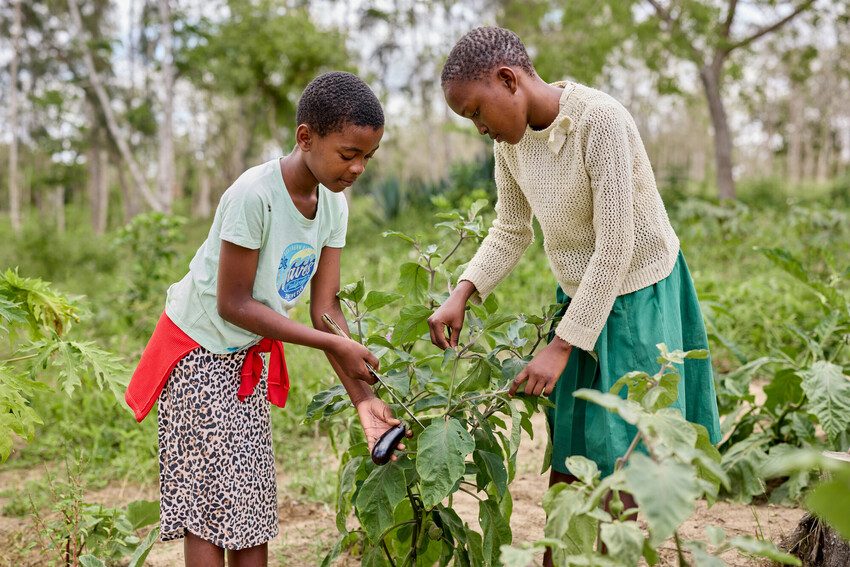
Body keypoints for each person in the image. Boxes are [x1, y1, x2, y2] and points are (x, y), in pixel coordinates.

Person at [427, 26, 721, 563]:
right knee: (572, 455)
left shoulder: (599, 121)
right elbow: (510, 228)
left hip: (639, 297)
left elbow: (616, 247)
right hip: (581, 302)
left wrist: (561, 347)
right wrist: (462, 291)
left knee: (628, 458)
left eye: (475, 111)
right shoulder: (510, 145)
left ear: (508, 80)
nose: (478, 128)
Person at [125, 71, 406, 567]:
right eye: (348, 154)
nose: (359, 167)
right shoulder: (253, 195)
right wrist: (331, 346)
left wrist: (365, 399)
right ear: (305, 137)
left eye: (369, 156)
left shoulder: (332, 206)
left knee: (251, 508)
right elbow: (232, 303)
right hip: (197, 354)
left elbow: (325, 311)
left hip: (243, 358)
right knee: (212, 513)